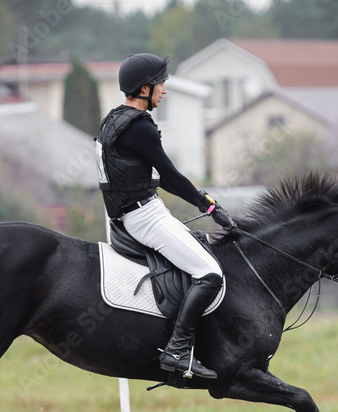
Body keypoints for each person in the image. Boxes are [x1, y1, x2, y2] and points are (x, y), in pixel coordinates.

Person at [96, 53, 236, 380]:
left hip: (132, 213)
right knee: (209, 273)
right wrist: (210, 207)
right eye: (161, 84)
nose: (165, 90)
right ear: (145, 88)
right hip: (144, 216)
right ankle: (177, 351)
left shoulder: (114, 119)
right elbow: (171, 177)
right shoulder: (139, 126)